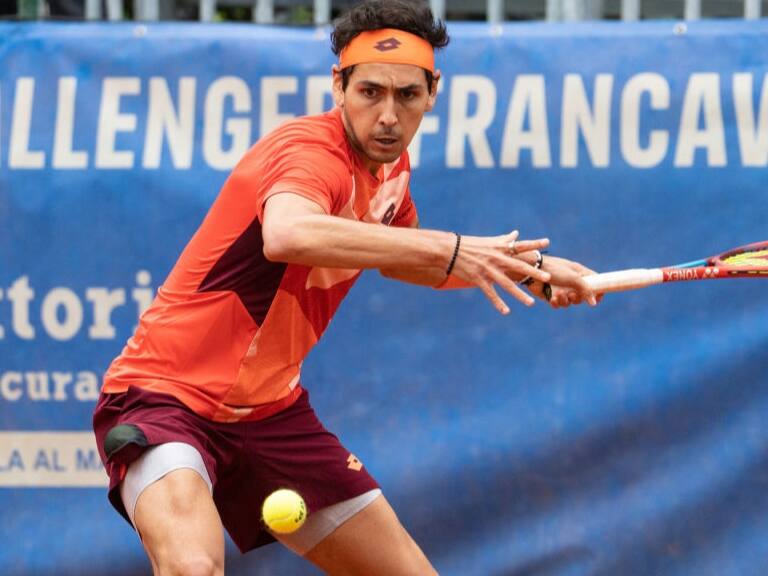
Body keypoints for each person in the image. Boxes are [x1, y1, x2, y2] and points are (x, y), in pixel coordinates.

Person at [92, 1, 599, 574]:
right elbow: (287, 232)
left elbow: (406, 261)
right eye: (370, 92)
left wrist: (532, 270)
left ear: (433, 93)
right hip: (167, 399)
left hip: (270, 416)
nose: (388, 115)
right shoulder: (308, 152)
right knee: (192, 569)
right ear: (339, 85)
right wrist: (449, 245)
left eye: (407, 95)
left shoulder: (391, 169)